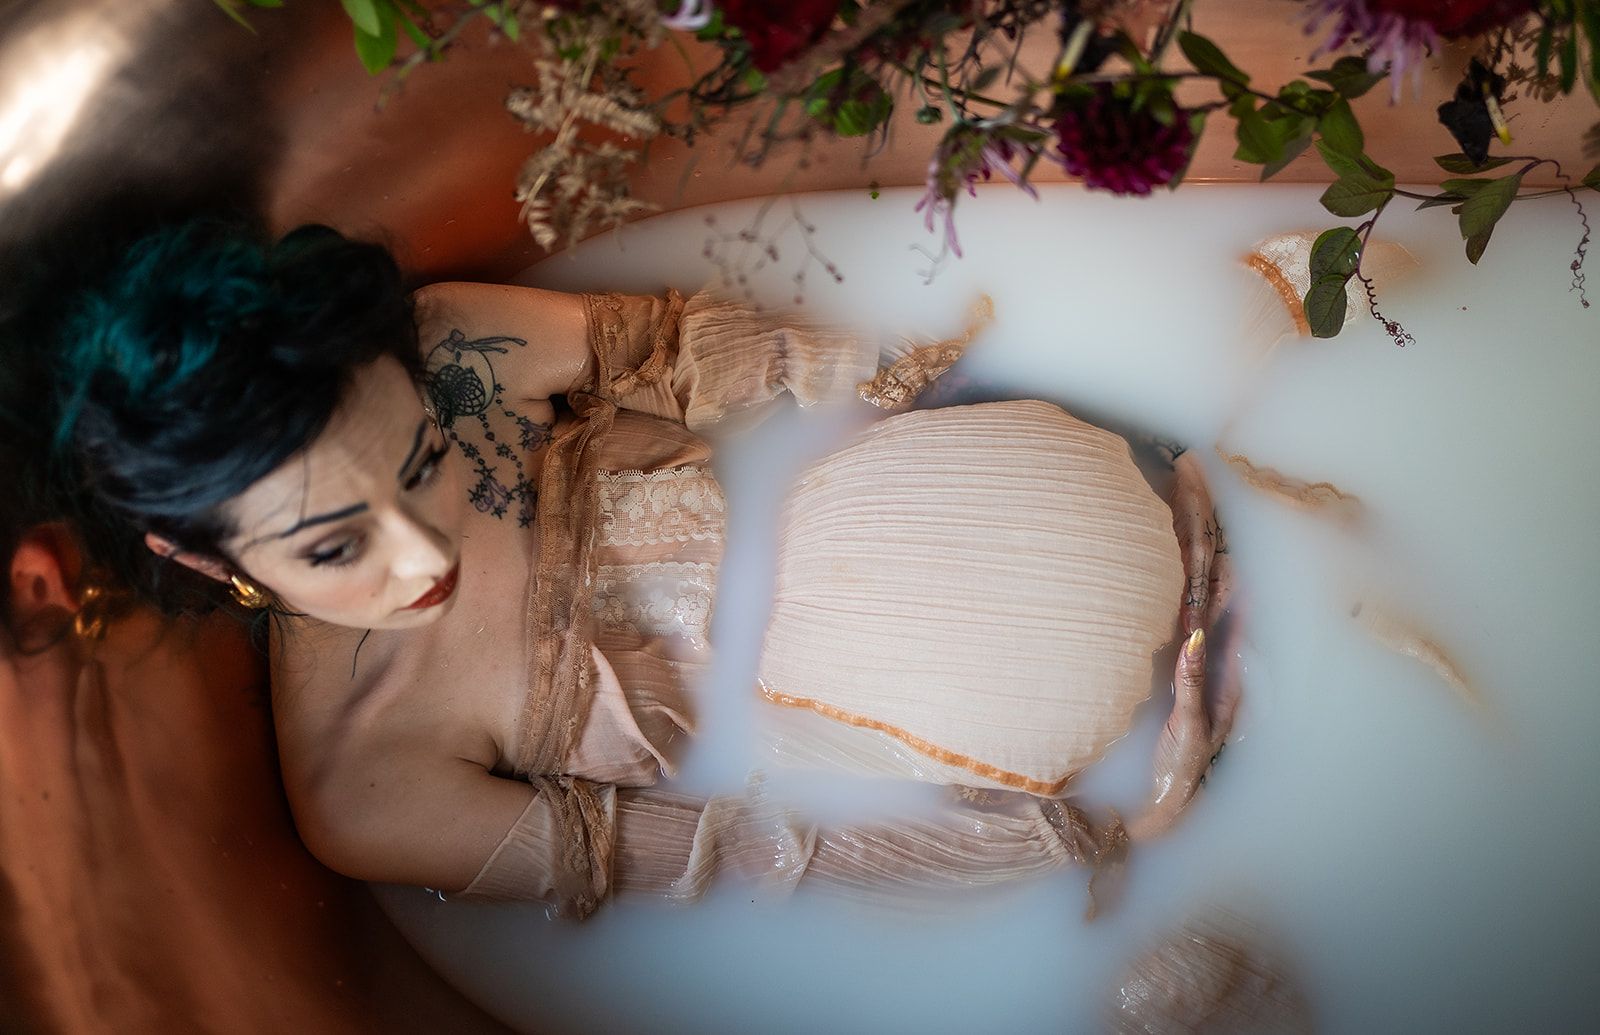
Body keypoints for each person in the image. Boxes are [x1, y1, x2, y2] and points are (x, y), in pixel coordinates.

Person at [50, 219, 1235, 918]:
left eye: (420, 461)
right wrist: (1099, 837)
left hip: (968, 484)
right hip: (919, 742)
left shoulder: (460, 347)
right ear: (197, 558)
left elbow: (734, 354)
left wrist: (1025, 389)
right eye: (332, 547)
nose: (423, 552)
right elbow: (750, 856)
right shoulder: (370, 793)